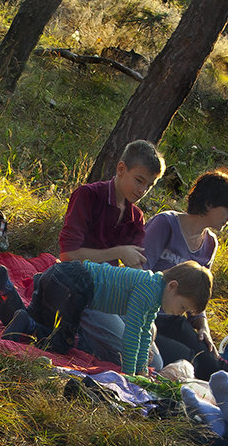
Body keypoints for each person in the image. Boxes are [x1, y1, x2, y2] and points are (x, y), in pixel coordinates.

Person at [0, 261, 212, 376]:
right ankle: (28, 323)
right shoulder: (148, 291)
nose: (179, 314)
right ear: (172, 286)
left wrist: (141, 369)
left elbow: (144, 335)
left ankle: (5, 286)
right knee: (60, 342)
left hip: (64, 275)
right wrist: (130, 374)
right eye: (182, 307)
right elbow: (132, 334)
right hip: (76, 285)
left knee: (36, 316)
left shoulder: (153, 288)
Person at [55, 140, 165, 366]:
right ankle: (75, 333)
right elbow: (67, 256)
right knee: (126, 355)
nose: (142, 190)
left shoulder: (136, 216)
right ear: (121, 169)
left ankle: (87, 335)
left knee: (153, 362)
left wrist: (147, 314)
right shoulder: (88, 196)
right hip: (79, 286)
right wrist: (118, 252)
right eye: (139, 181)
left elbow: (137, 270)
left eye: (149, 186)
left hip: (111, 292)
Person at [141, 169, 228, 378]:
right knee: (185, 360)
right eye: (227, 211)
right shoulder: (166, 224)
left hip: (176, 319)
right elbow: (140, 272)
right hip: (147, 315)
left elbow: (197, 294)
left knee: (213, 368)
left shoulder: (209, 244)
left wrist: (203, 327)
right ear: (208, 204)